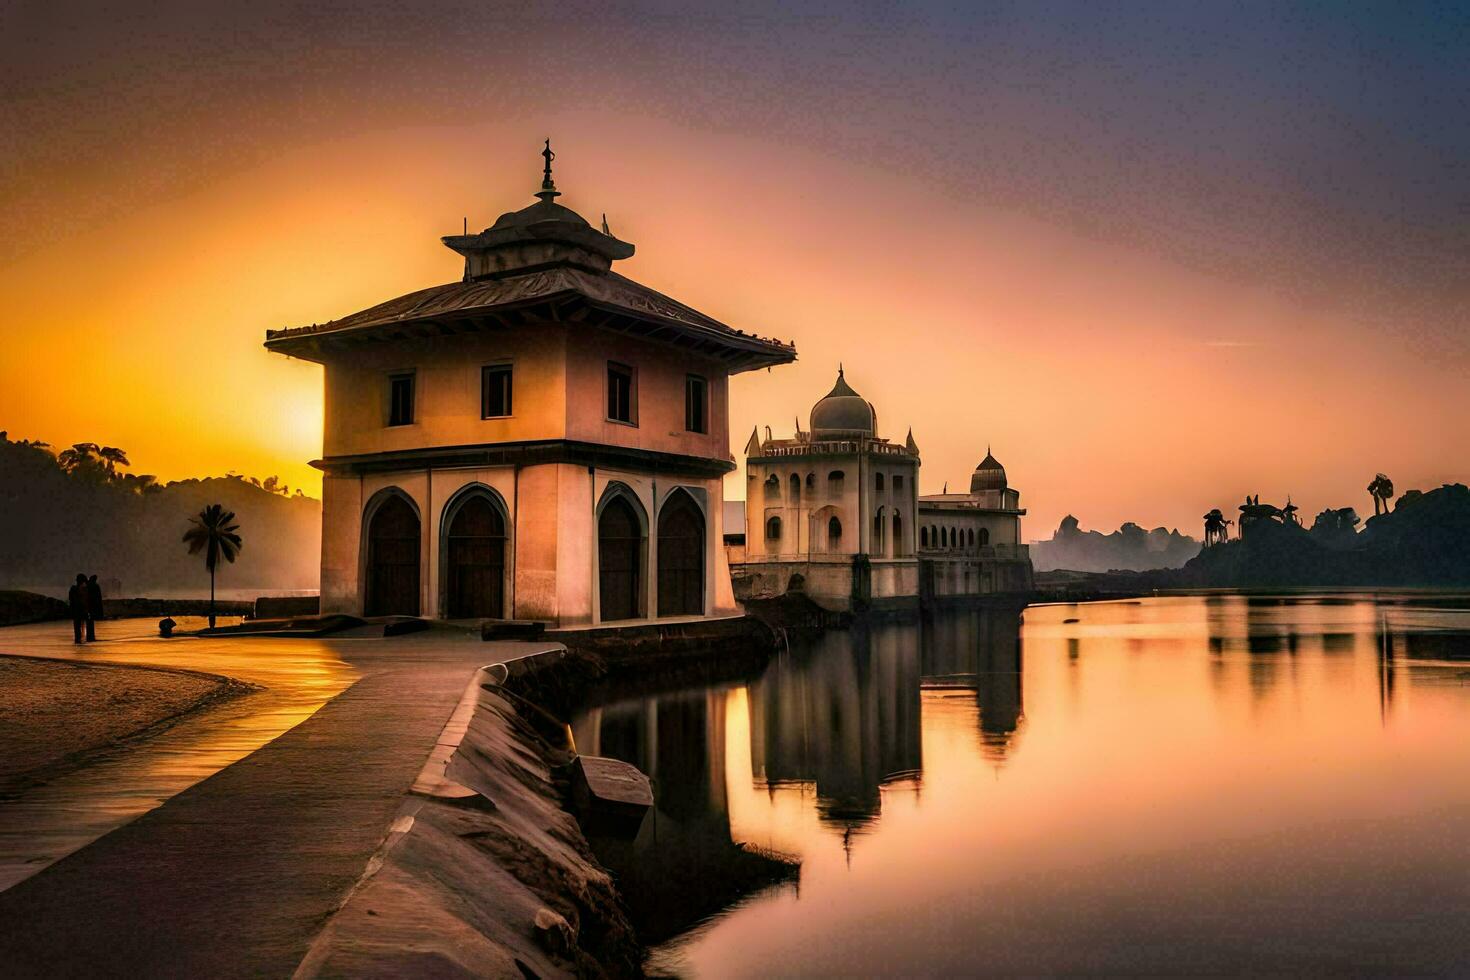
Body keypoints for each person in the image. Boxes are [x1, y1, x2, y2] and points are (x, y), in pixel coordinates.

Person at [67, 573, 88, 644]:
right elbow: (85, 600)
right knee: (82, 625)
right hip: (80, 609)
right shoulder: (83, 589)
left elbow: (71, 599)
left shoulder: (74, 589)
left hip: (76, 610)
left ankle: (78, 638)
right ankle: (80, 638)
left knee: (77, 625)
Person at [86, 574, 104, 642]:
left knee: (89, 622)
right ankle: (91, 637)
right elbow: (98, 598)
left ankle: (89, 637)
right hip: (93, 606)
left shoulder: (88, 586)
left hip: (89, 606)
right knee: (90, 622)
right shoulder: (95, 586)